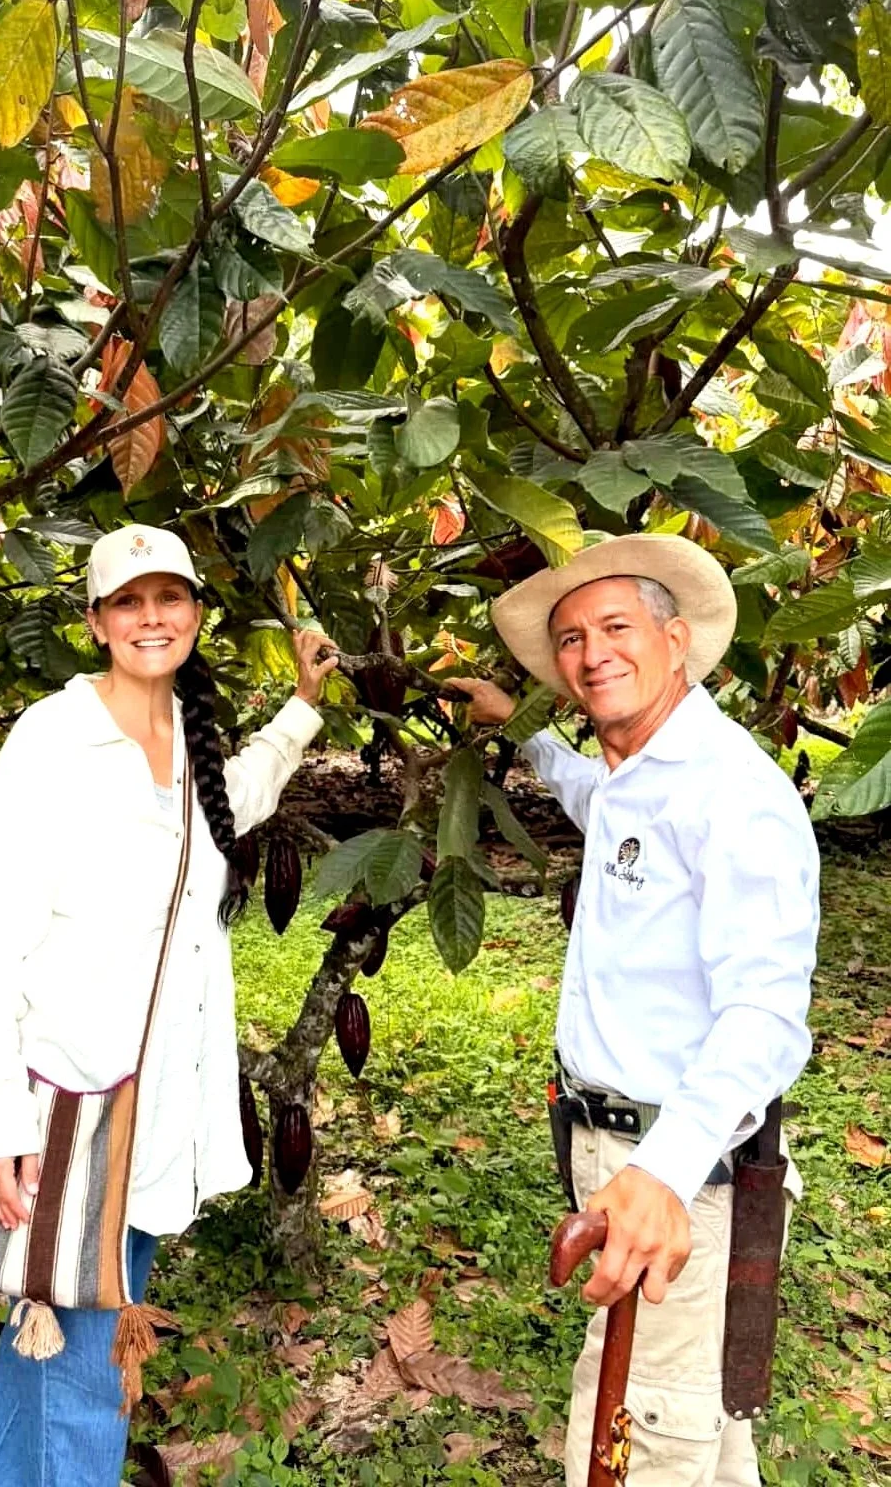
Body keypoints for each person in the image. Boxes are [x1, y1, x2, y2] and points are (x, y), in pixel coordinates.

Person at [0, 523, 337, 1487]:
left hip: (157, 1100)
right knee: (80, 1364)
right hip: (66, 1103)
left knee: (52, 1340)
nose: (151, 617)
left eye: (170, 598)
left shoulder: (184, 742)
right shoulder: (52, 738)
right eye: (128, 601)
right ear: (95, 622)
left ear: (197, 615)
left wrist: (302, 709)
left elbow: (230, 803)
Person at [451, 533, 818, 1487]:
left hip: (681, 1170)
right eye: (570, 638)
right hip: (622, 1149)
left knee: (637, 1435)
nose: (590, 653)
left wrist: (659, 1172)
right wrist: (520, 730)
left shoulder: (735, 795)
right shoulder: (634, 771)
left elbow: (766, 1015)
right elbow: (589, 794)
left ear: (677, 640)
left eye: (616, 627)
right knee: (699, 1425)